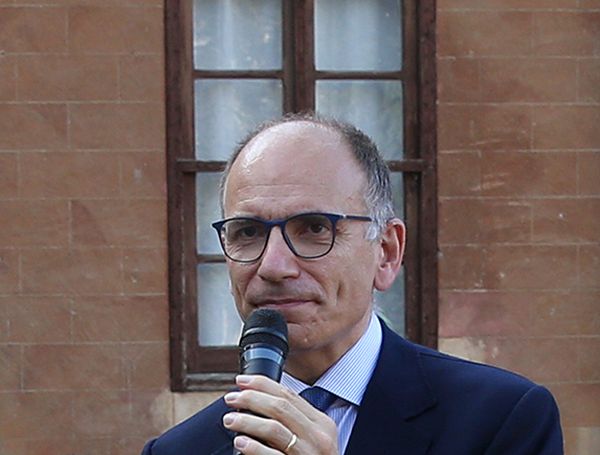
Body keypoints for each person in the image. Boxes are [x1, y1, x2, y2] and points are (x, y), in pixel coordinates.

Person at [142, 114, 563, 454]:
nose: (273, 266)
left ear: (387, 251)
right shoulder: (180, 450)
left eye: (314, 228)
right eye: (248, 232)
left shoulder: (501, 419)